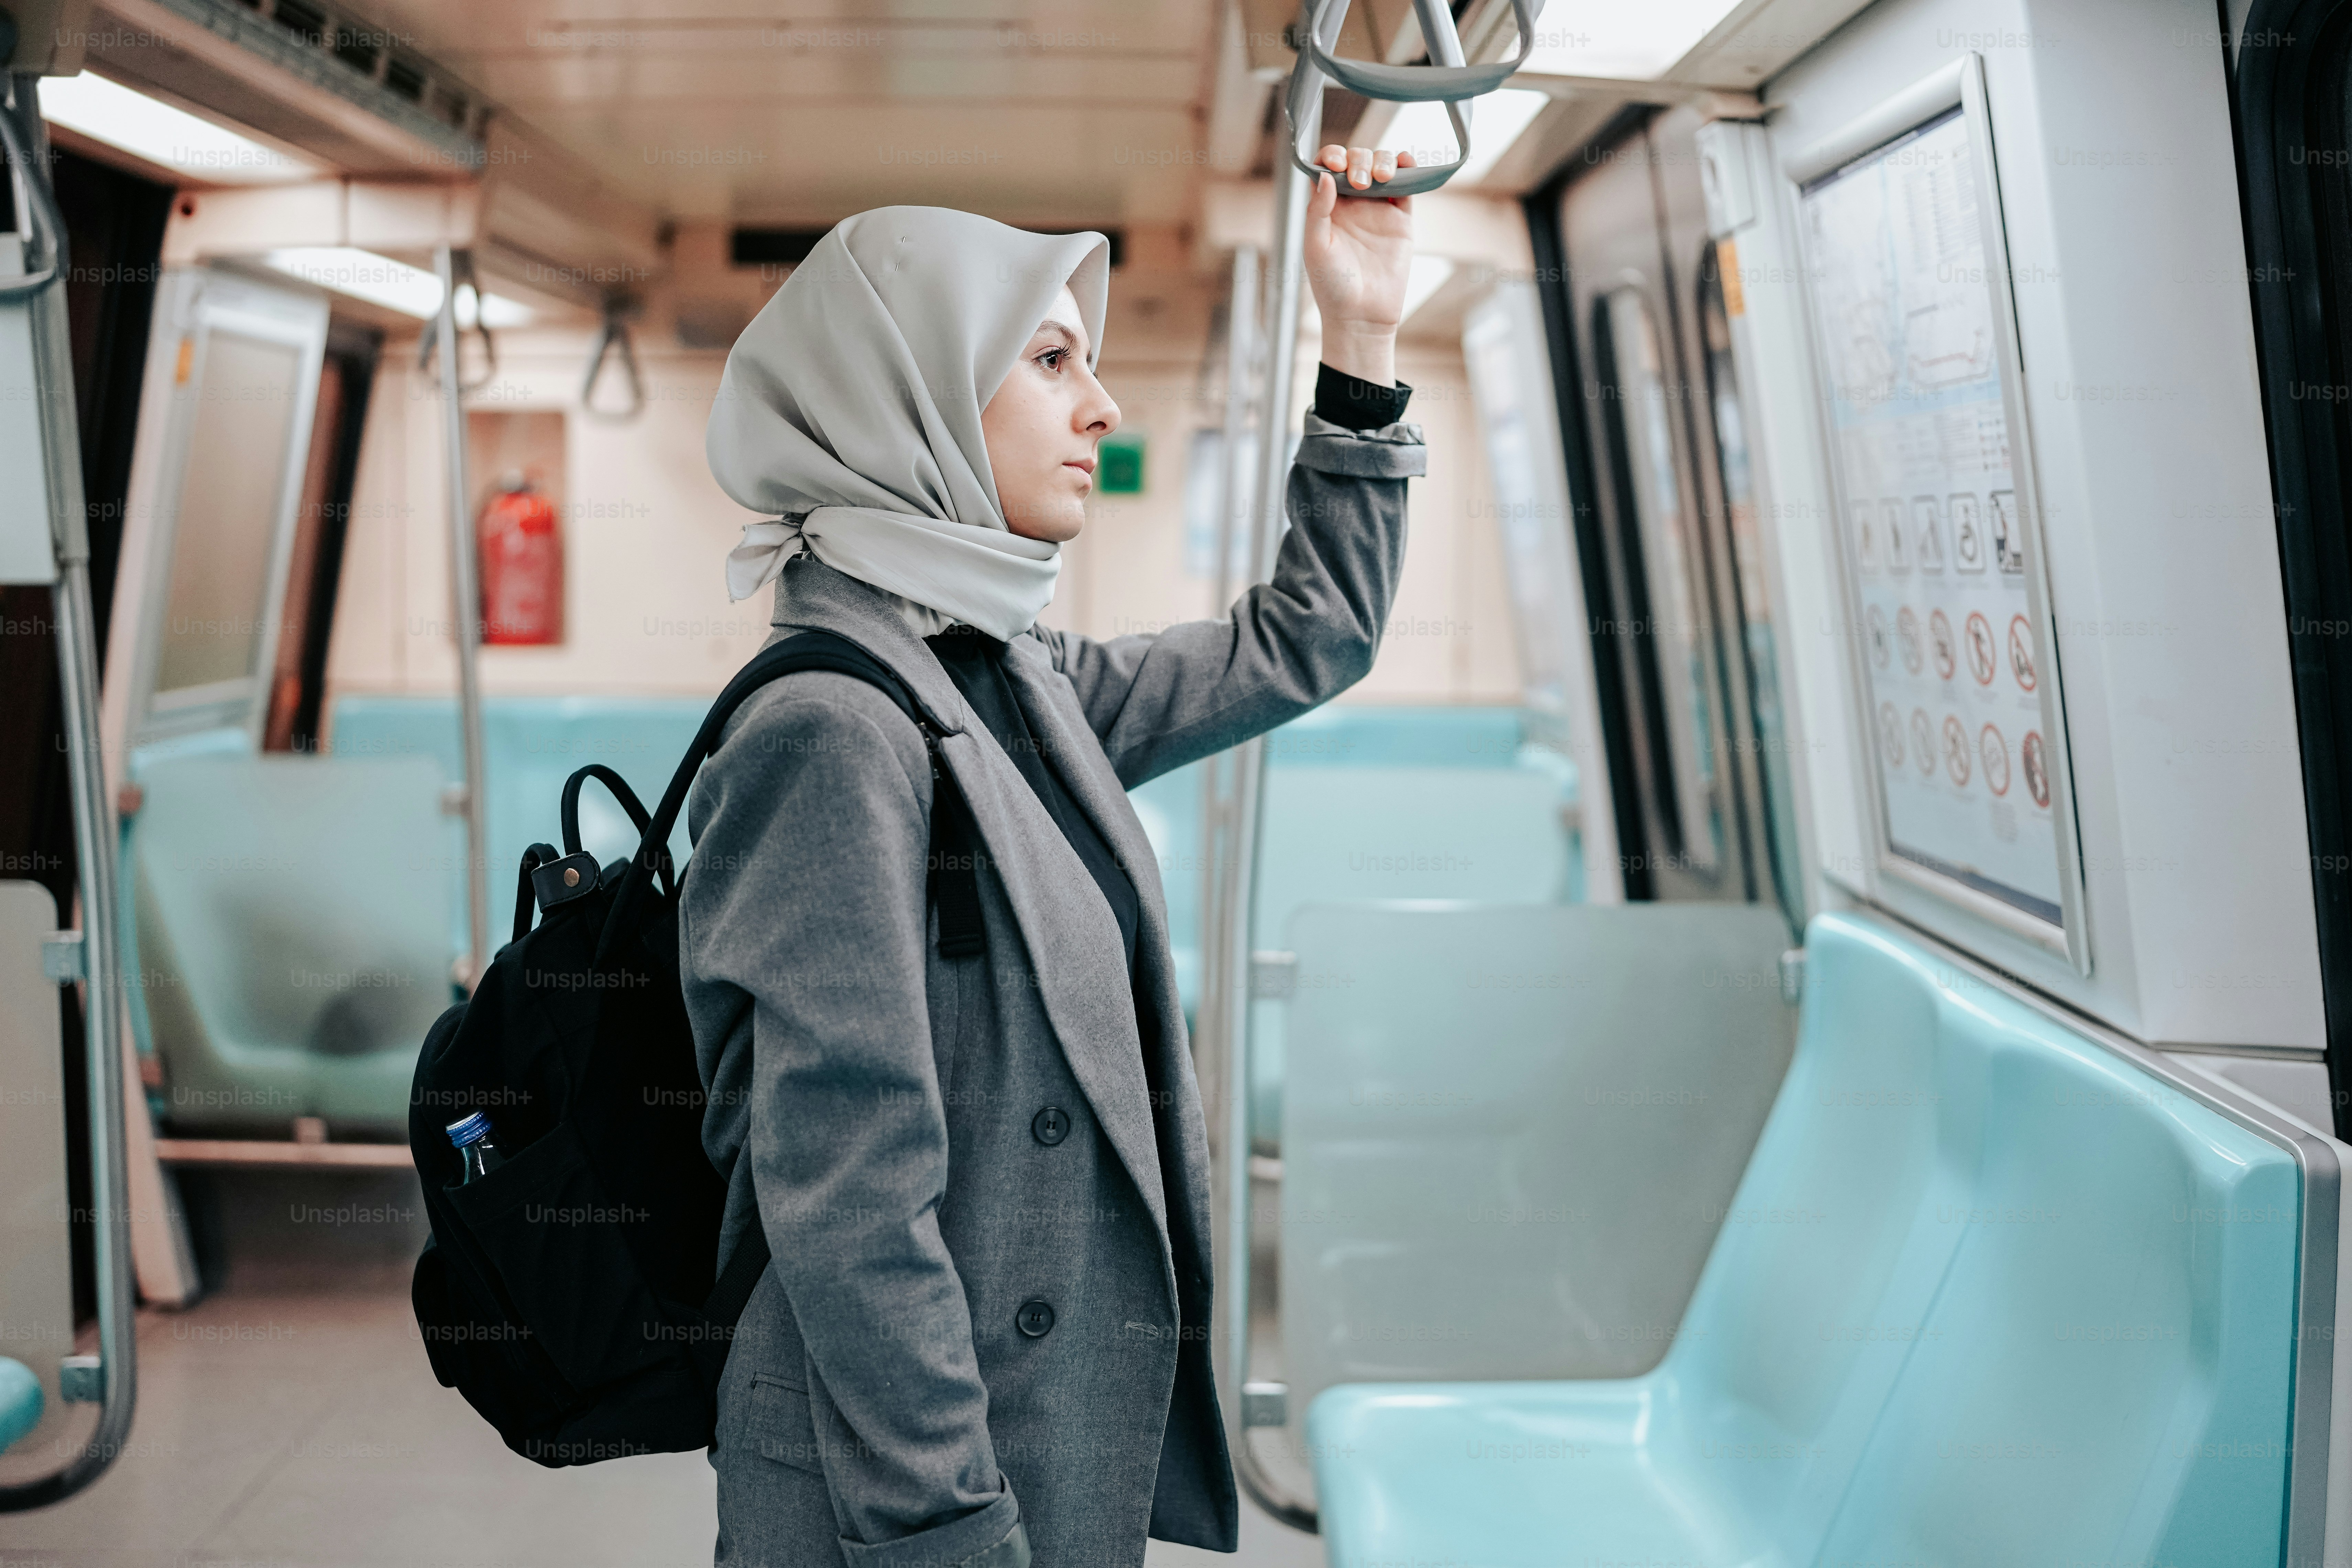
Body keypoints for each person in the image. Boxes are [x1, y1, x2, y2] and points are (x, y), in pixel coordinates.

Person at [683, 143, 1423, 1568]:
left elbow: (1300, 638)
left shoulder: (1004, 678)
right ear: (911, 396)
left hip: (1028, 1432)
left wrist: (1363, 334)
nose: (1102, 406)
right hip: (907, 1486)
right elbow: (851, 1200)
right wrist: (947, 1527)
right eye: (1047, 359)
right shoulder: (832, 730)